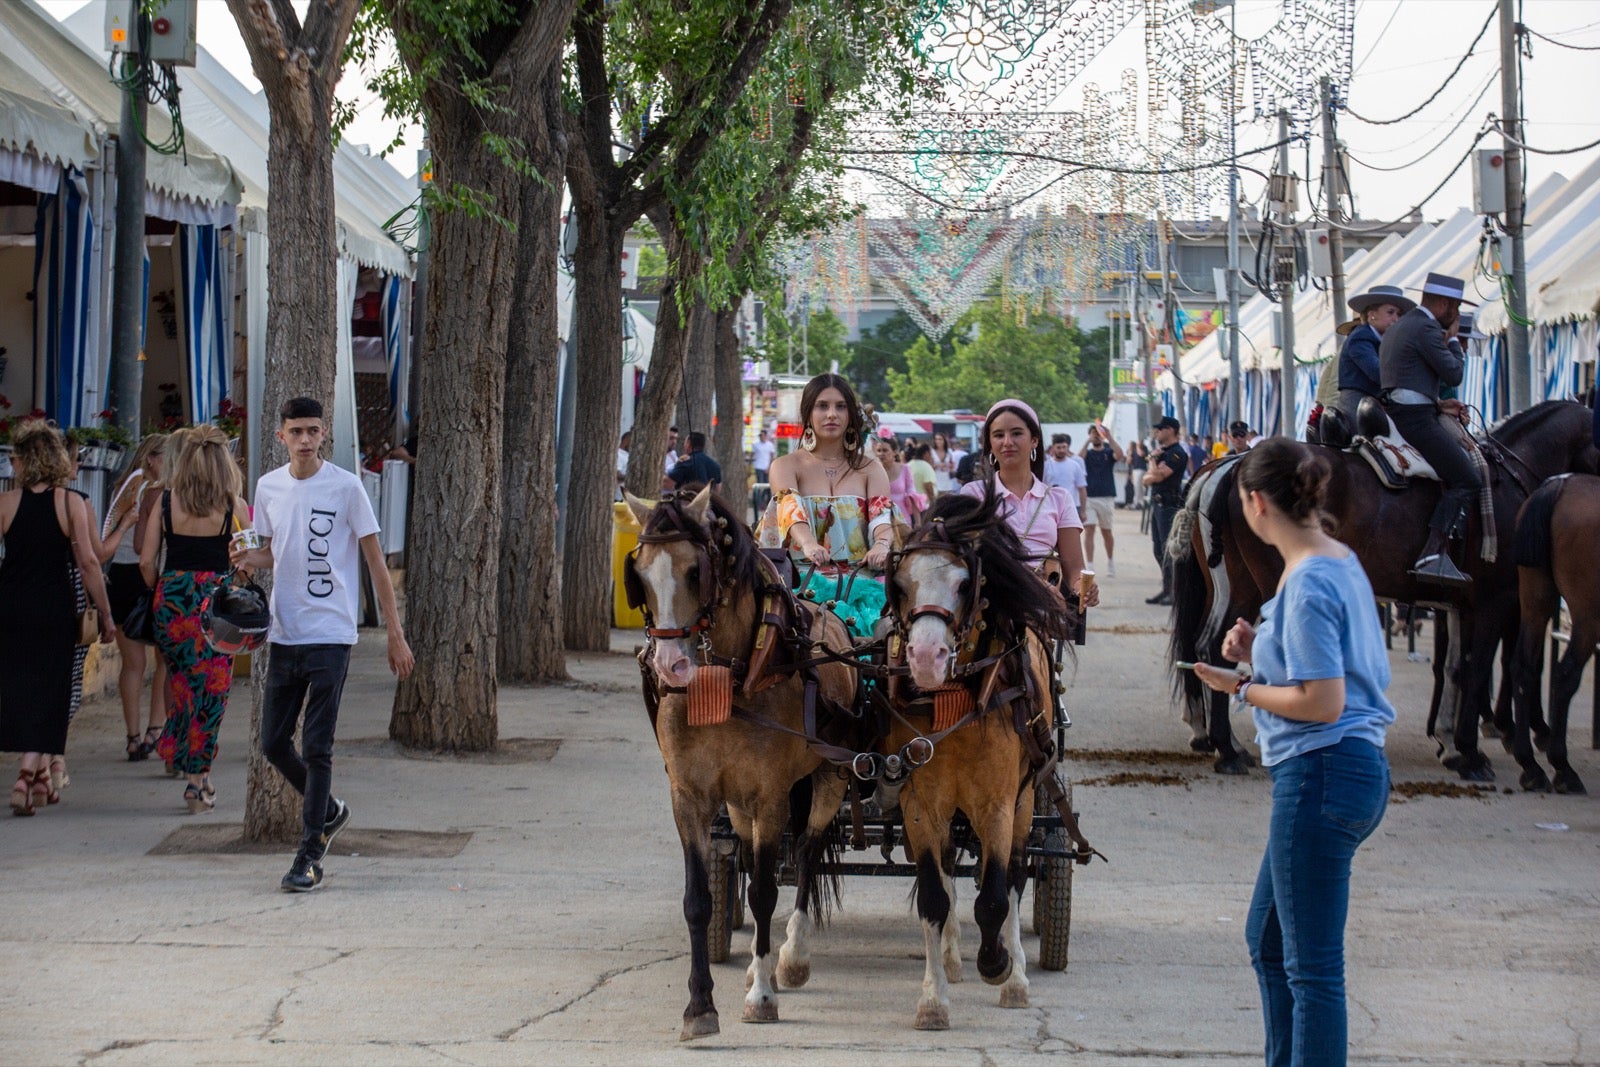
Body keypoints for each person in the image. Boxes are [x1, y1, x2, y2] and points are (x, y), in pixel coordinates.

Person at [1192, 438, 1393, 1067]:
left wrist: (1242, 687)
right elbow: (1332, 671)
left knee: (1310, 971)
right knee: (1271, 943)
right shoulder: (1336, 560)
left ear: (1253, 503)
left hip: (1321, 770)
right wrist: (1261, 648)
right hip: (1345, 770)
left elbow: (1322, 700)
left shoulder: (1304, 583)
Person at [232, 397, 414, 892]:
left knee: (317, 747)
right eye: (298, 432)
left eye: (314, 431)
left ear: (322, 435)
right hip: (284, 632)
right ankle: (329, 810)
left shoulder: (347, 487)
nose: (307, 440)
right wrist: (248, 558)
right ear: (282, 436)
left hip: (332, 633)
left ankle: (309, 855)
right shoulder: (268, 487)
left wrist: (394, 634)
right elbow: (273, 551)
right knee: (272, 742)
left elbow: (376, 563)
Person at [1, 421, 114, 815]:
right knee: (52, 689)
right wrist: (105, 613)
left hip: (11, 605)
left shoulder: (5, 503)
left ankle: (36, 775)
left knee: (20, 684)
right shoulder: (70, 503)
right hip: (55, 607)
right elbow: (87, 562)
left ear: (24, 461)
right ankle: (29, 771)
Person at [140, 425, 251, 815]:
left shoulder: (166, 501)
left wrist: (164, 590)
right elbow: (247, 562)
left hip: (171, 602)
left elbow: (145, 560)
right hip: (215, 606)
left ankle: (183, 756)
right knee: (213, 692)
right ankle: (197, 779)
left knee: (183, 687)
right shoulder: (234, 505)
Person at [759, 373, 892, 638]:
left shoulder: (871, 469)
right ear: (808, 414)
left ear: (851, 415)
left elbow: (882, 519)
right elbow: (790, 511)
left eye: (840, 406)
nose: (832, 414)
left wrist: (882, 545)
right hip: (800, 587)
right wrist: (808, 543)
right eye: (822, 406)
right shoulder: (785, 465)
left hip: (861, 587)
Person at [1379, 271, 1480, 587]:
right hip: (1414, 418)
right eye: (1455, 308)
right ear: (1444, 304)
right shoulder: (1426, 327)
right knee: (1467, 478)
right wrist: (1453, 344)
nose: (1457, 315)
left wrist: (1437, 403)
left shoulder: (1403, 325)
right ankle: (1433, 552)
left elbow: (1406, 378)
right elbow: (1453, 375)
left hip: (1399, 410)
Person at [959, 399, 1099, 607]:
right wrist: (1032, 585)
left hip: (1042, 610)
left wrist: (1084, 589)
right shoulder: (973, 495)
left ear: (1034, 440)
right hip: (989, 605)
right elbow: (963, 562)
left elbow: (1075, 569)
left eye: (1016, 433)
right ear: (989, 444)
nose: (1007, 442)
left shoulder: (1059, 499)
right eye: (998, 435)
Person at [104, 434, 170, 761]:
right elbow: (150, 547)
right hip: (149, 574)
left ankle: (132, 736)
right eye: (166, 457)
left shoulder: (122, 488)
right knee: (163, 661)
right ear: (151, 459)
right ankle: (154, 731)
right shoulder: (158, 492)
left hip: (119, 574)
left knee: (132, 664)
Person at [1335, 284, 1414, 424]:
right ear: (1372, 315)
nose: (1396, 319)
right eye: (1390, 312)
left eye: (1398, 314)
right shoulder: (1360, 337)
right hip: (1357, 405)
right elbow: (1378, 372)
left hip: (1373, 404)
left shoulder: (1383, 340)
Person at [1142, 416, 1188, 606]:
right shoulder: (1163, 452)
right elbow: (1147, 478)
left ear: (1171, 430)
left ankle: (1175, 591)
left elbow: (1159, 476)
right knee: (1158, 549)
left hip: (1169, 505)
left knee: (1169, 550)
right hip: (1157, 504)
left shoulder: (1176, 453)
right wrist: (1152, 471)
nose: (1157, 432)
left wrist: (1152, 459)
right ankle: (1167, 588)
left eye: (1161, 429)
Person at [1078, 422, 1123, 577]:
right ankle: (1089, 565)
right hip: (1089, 497)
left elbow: (1120, 455)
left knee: (1106, 531)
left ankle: (1110, 561)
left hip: (1106, 497)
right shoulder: (1088, 454)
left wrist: (1109, 436)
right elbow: (1078, 459)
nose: (1096, 436)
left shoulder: (1109, 452)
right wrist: (1087, 441)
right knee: (1089, 530)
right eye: (1093, 433)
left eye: (1098, 434)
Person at [876, 433, 922, 525]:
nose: (881, 454)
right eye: (879, 450)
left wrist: (918, 522)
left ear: (895, 451)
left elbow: (912, 496)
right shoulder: (873, 471)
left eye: (885, 450)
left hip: (902, 519)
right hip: (879, 520)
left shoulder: (905, 469)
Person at [1043, 434, 1088, 519]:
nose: (1062, 450)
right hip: (1051, 507)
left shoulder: (1075, 465)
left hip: (1072, 507)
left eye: (1064, 447)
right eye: (1059, 447)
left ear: (1068, 447)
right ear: (1053, 448)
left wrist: (1083, 511)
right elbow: (1041, 487)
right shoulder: (1046, 466)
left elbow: (1082, 489)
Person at [750, 428, 776, 514]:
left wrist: (769, 467)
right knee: (760, 485)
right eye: (760, 435)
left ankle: (764, 503)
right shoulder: (756, 445)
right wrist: (750, 464)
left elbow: (772, 457)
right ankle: (759, 504)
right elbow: (752, 455)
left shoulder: (770, 445)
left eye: (762, 435)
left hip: (767, 467)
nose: (761, 437)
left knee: (767, 486)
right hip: (759, 467)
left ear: (765, 436)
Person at [907, 443, 939, 511]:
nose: (931, 456)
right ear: (926, 453)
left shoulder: (908, 465)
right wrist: (933, 503)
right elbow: (928, 486)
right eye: (931, 453)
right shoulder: (926, 466)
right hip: (923, 505)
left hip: (910, 504)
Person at [1126, 440, 1148, 509]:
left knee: (1141, 488)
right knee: (1136, 487)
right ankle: (1136, 502)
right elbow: (1129, 461)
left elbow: (1141, 454)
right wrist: (1129, 452)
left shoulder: (1144, 448)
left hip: (1142, 469)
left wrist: (1138, 447)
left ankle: (1141, 502)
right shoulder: (1133, 451)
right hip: (1135, 470)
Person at [615, 430, 631, 502]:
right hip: (618, 497)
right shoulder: (619, 454)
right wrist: (632, 477)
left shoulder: (627, 455)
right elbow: (616, 475)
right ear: (626, 441)